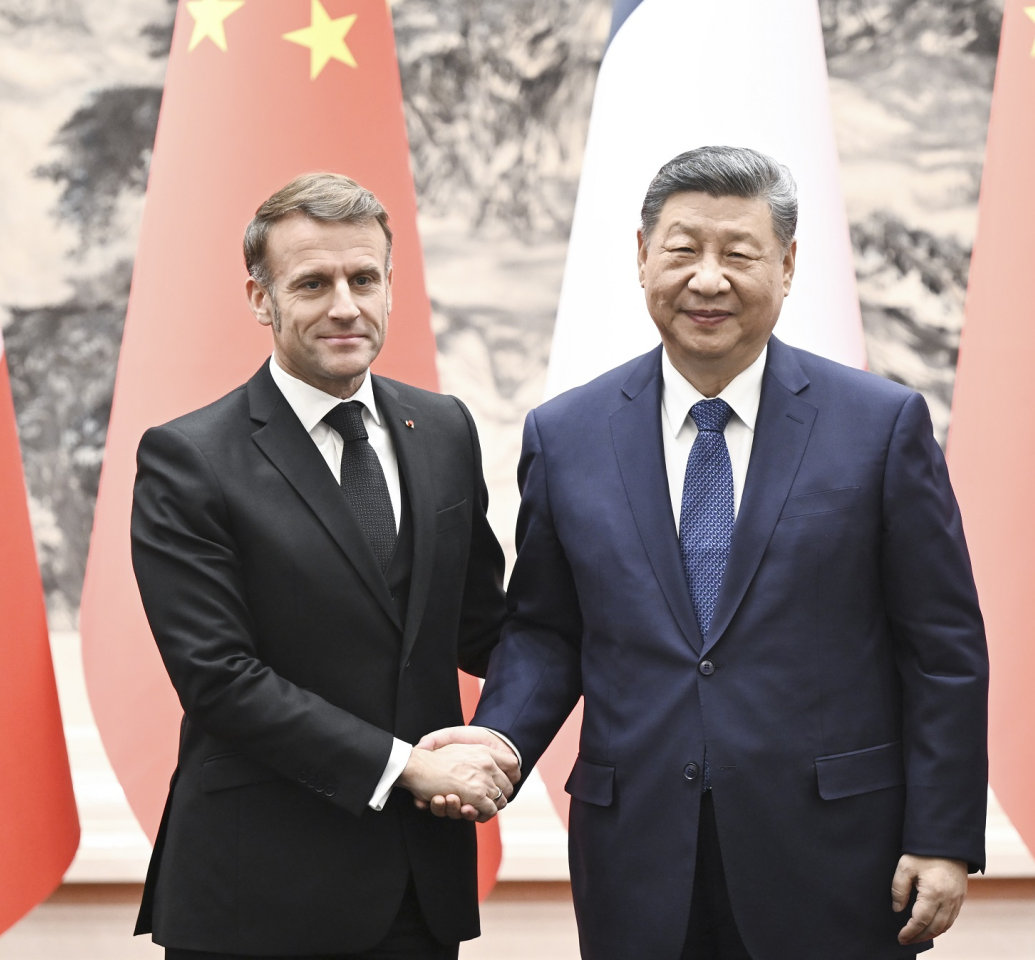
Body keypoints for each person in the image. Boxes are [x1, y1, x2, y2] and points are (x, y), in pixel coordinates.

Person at [420, 146, 989, 959]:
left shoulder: (879, 426)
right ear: (642, 256)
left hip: (836, 855)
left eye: (740, 253)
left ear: (788, 266)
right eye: (683, 249)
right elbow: (548, 629)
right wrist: (500, 740)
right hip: (637, 853)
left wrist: (942, 834)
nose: (708, 279)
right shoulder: (567, 434)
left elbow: (943, 648)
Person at [130, 172, 518, 960]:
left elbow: (482, 627)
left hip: (418, 887)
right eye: (313, 282)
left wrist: (602, 661)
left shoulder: (443, 429)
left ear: (388, 286)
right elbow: (219, 677)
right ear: (259, 296)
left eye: (364, 278)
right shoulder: (188, 458)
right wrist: (406, 767)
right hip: (255, 896)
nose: (345, 305)